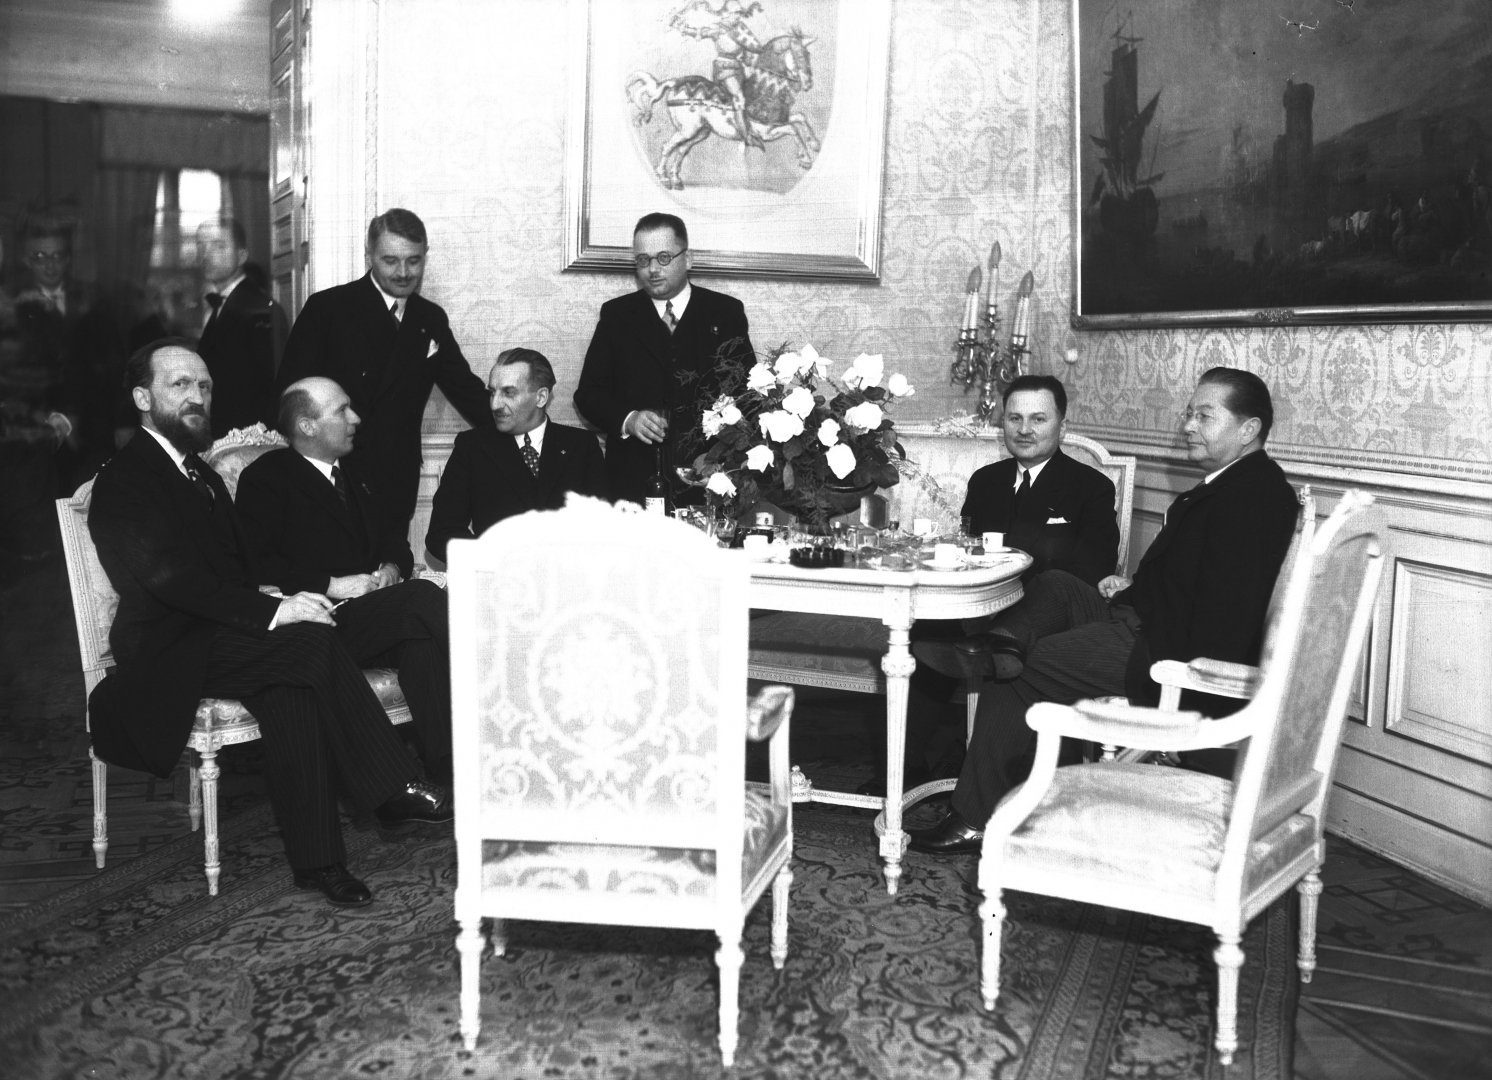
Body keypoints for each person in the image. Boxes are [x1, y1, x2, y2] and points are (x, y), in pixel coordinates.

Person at [87, 340, 453, 907]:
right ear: (142, 398)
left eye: (204, 386)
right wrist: (277, 610)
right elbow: (171, 582)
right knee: (309, 643)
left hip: (220, 631)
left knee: (293, 681)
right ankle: (393, 788)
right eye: (180, 384)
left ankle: (320, 863)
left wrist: (284, 598)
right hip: (168, 649)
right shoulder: (125, 479)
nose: (197, 396)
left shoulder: (201, 476)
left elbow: (240, 570)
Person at [909, 368, 1300, 854]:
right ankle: (993, 645)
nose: (1187, 426)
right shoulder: (1235, 485)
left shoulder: (1251, 498)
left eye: (1204, 416)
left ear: (1248, 429)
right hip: (1146, 620)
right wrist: (1134, 589)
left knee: (1022, 666)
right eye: (1189, 414)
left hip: (1164, 653)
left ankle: (974, 818)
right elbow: (1200, 582)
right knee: (1056, 586)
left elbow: (1227, 617)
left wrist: (1161, 650)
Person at [863, 376, 1119, 796]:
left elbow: (1091, 569)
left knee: (1004, 644)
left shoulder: (1090, 486)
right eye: (1014, 418)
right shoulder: (986, 480)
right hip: (981, 605)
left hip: (1045, 616)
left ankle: (987, 772)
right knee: (927, 629)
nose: (1024, 429)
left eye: (1038, 419)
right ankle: (904, 767)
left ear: (1063, 426)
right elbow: (970, 551)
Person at [235, 376, 453, 783]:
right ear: (308, 426)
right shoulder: (266, 479)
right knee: (422, 595)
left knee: (421, 642)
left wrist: (391, 568)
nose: (355, 418)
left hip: (377, 617)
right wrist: (333, 584)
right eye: (342, 411)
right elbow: (256, 565)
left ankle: (448, 779)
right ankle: (501, 671)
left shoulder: (359, 471)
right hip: (318, 625)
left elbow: (395, 541)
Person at [276, 208, 493, 538]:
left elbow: (467, 390)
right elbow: (290, 397)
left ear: (425, 255)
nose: (403, 273)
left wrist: (520, 428)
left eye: (414, 261)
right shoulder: (328, 309)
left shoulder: (430, 319)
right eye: (390, 261)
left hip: (396, 476)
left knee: (392, 564)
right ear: (369, 254)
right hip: (334, 472)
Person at [574, 212, 755, 507]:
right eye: (643, 260)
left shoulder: (725, 312)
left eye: (663, 258)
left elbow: (748, 395)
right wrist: (629, 419)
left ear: (688, 259)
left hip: (709, 480)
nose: (653, 270)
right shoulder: (617, 316)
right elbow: (589, 395)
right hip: (634, 480)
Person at [426, 348, 607, 561]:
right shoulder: (472, 447)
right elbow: (441, 533)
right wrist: (493, 558)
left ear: (541, 397)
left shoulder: (581, 446)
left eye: (508, 393)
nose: (495, 404)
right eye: (492, 392)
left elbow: (604, 528)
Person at [195, 217, 289, 437]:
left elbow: (272, 386)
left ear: (242, 255)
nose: (206, 254)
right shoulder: (221, 305)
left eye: (219, 245)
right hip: (220, 437)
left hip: (248, 439)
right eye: (201, 245)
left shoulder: (260, 309)